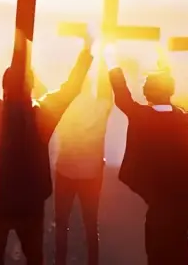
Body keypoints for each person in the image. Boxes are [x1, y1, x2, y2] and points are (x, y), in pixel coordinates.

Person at [0, 12, 93, 265]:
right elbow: (71, 88)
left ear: (4, 87)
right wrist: (87, 50)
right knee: (34, 258)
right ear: (31, 86)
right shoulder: (44, 115)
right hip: (30, 205)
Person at [107, 51, 188, 265]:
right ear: (170, 91)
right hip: (185, 205)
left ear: (147, 93)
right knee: (181, 252)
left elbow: (122, 96)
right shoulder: (187, 121)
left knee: (157, 256)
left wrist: (109, 58)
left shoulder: (143, 117)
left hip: (159, 206)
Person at [52, 68, 112, 265]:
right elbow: (106, 90)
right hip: (92, 172)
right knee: (90, 224)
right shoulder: (100, 107)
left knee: (62, 223)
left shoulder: (64, 107)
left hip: (65, 169)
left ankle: (60, 262)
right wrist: (104, 54)